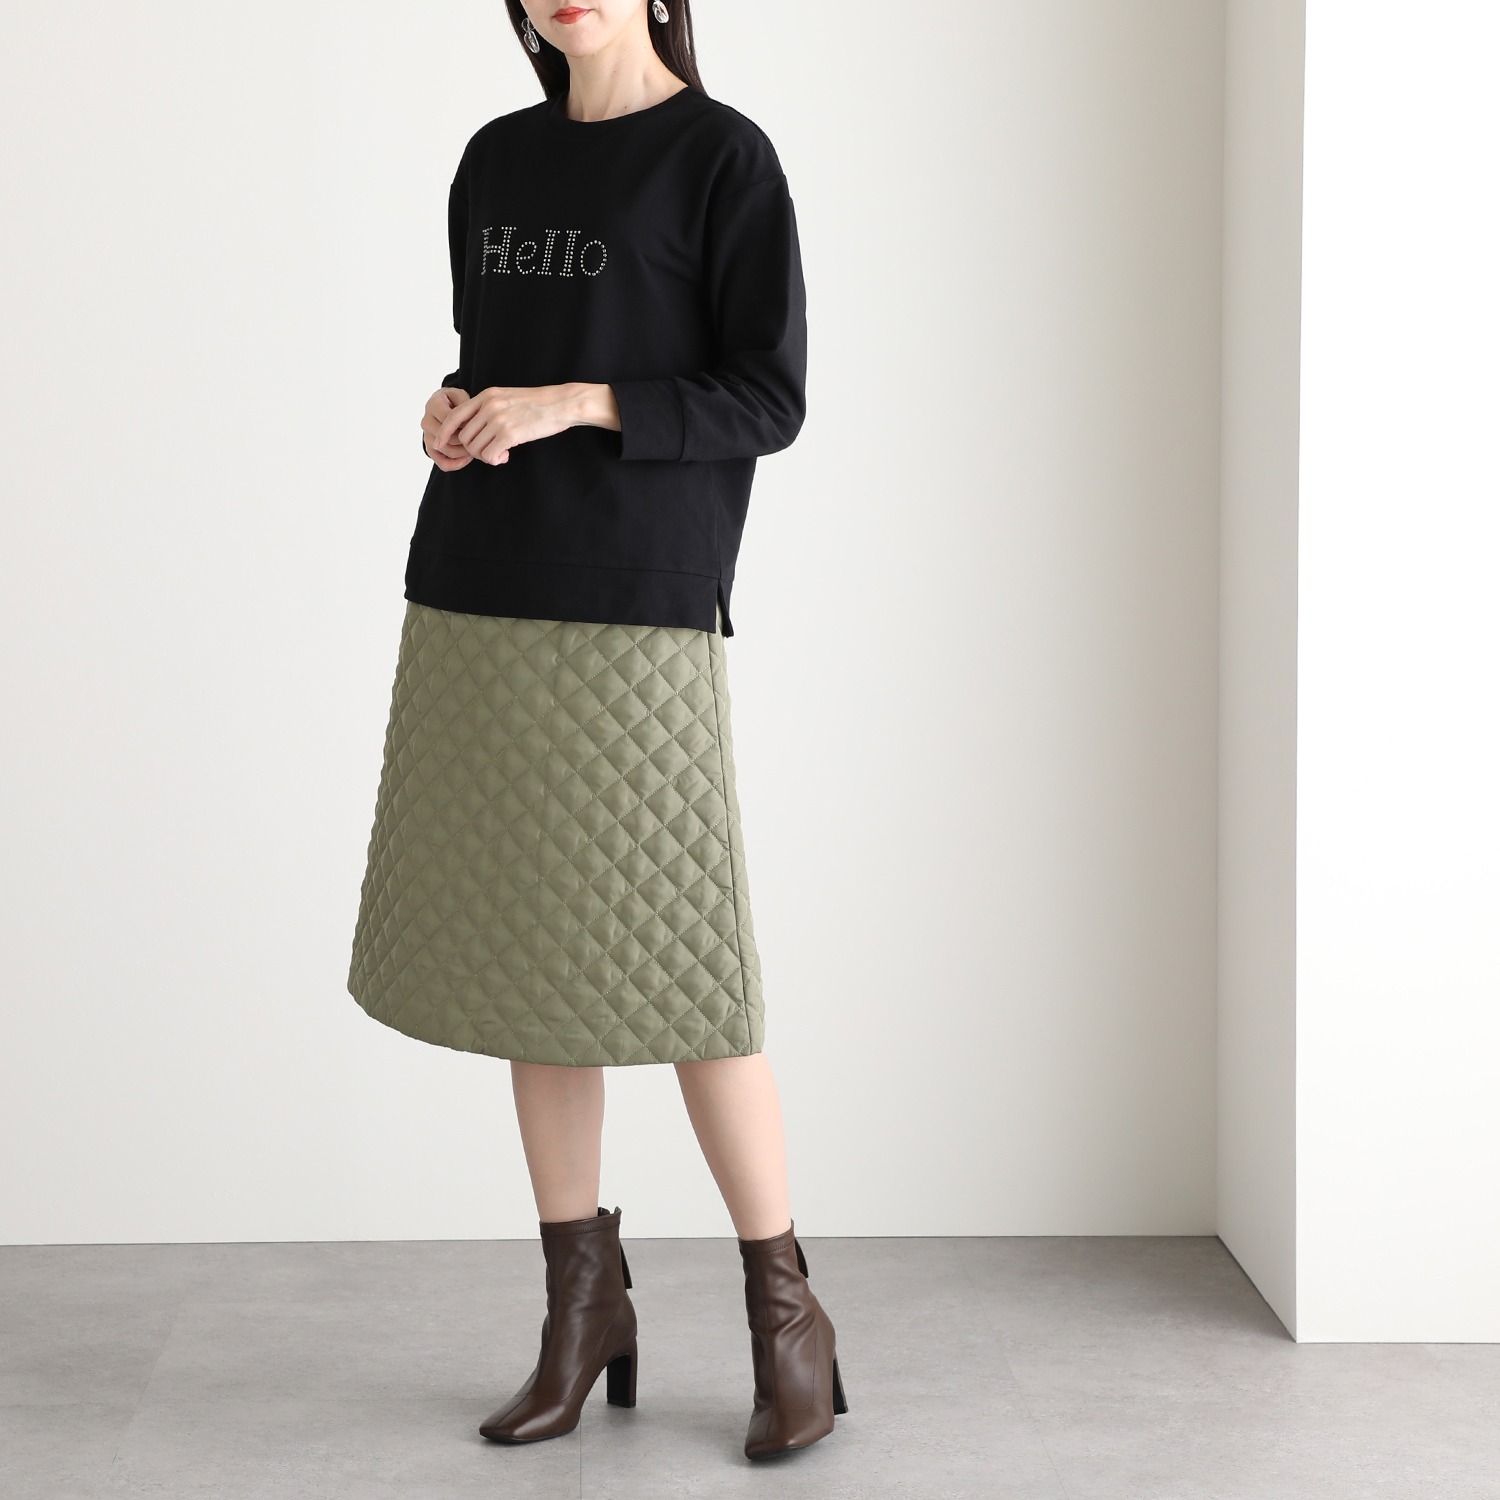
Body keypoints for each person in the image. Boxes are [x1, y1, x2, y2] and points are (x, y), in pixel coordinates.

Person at [345, 0, 847, 1462]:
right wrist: (453, 412)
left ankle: (789, 1320)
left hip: (638, 589)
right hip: (478, 581)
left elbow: (767, 396)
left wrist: (571, 402)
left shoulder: (722, 158)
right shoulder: (496, 160)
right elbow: (489, 359)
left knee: (687, 973)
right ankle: (583, 1311)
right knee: (534, 969)